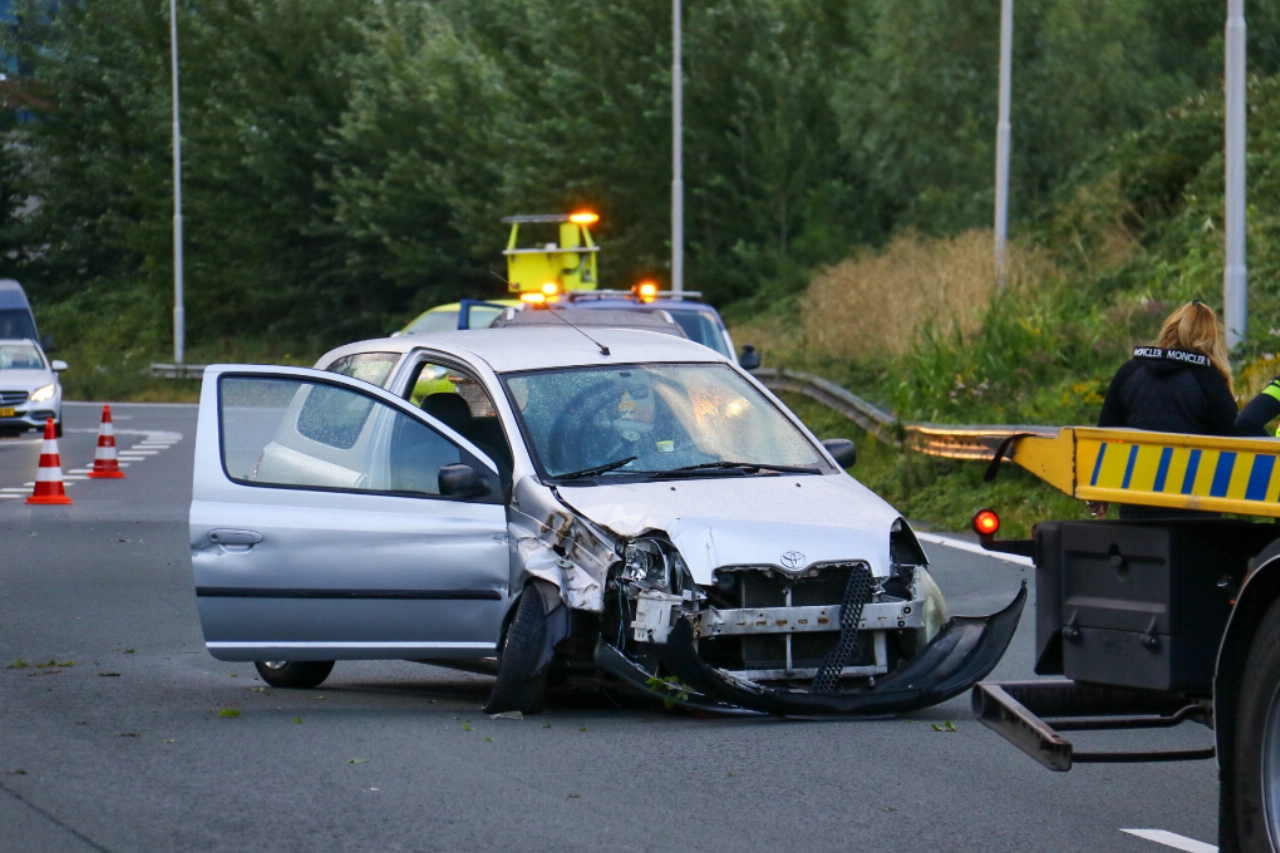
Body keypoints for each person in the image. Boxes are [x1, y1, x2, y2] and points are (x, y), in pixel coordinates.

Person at [1091, 300, 1238, 519]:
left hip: (1136, 501)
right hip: (1194, 508)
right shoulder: (1210, 382)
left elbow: (1106, 435)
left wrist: (1099, 491)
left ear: (1169, 329)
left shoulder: (1129, 372)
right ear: (1211, 339)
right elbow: (1232, 442)